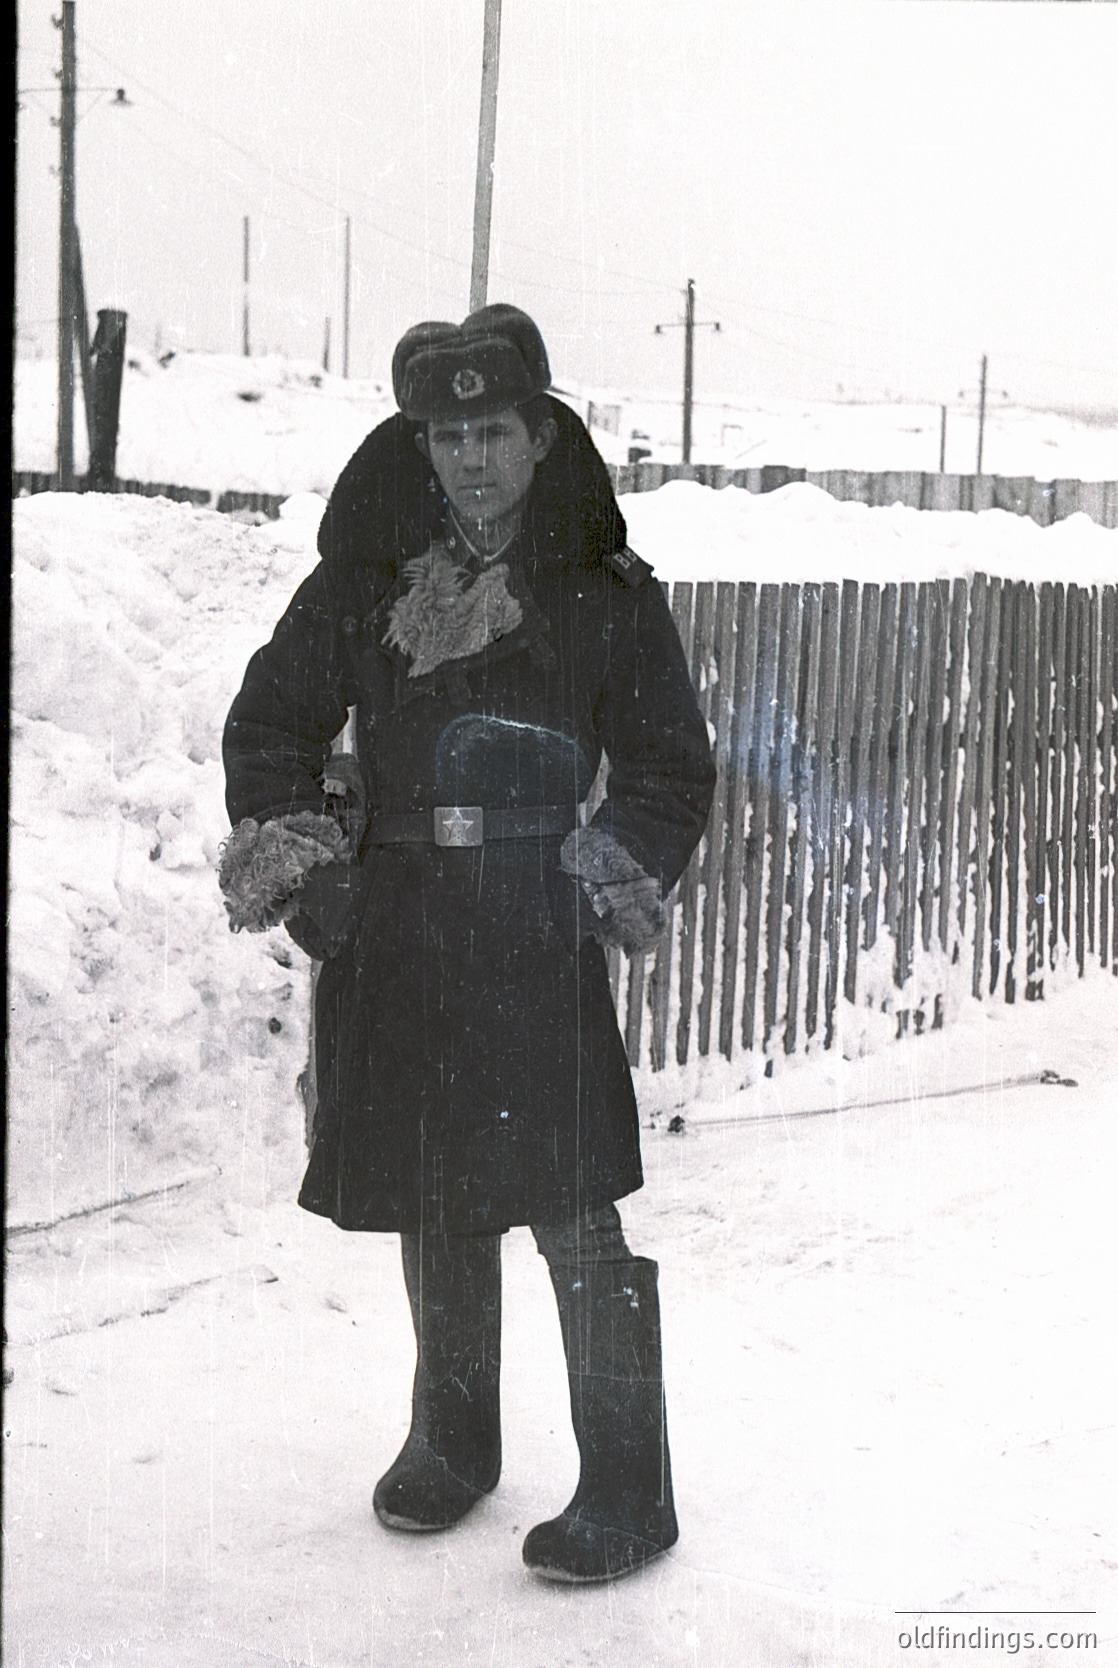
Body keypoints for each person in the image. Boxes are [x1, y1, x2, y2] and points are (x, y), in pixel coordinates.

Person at [219, 304, 715, 1583]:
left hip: (531, 932)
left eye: (493, 431)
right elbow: (269, 726)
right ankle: (452, 1446)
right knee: (431, 1198)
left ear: (543, 436)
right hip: (391, 927)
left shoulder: (601, 594)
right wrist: (312, 882)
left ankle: (626, 1489)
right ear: (419, 444)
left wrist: (609, 872)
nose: (471, 460)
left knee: (569, 1205)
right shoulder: (362, 585)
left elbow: (666, 768)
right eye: (446, 437)